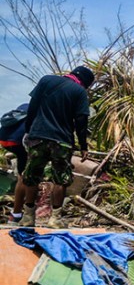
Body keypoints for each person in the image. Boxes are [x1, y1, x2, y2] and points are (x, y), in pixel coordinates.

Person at [19, 65, 94, 229]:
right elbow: (81, 121)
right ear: (85, 82)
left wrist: (28, 130)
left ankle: (27, 217)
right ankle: (55, 219)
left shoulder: (46, 80)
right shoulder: (79, 92)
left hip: (38, 137)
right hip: (62, 141)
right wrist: (83, 145)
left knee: (32, 175)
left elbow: (32, 107)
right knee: (60, 179)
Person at [0, 104, 29, 224]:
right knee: (26, 176)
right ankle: (18, 215)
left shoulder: (25, 105)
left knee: (22, 175)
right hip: (19, 141)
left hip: (4, 139)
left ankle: (15, 214)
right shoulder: (43, 109)